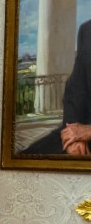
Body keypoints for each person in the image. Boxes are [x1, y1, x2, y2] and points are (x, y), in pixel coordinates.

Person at [21, 18, 91, 155]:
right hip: (80, 133)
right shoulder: (87, 30)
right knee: (26, 157)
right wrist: (73, 137)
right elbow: (75, 91)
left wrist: (88, 131)